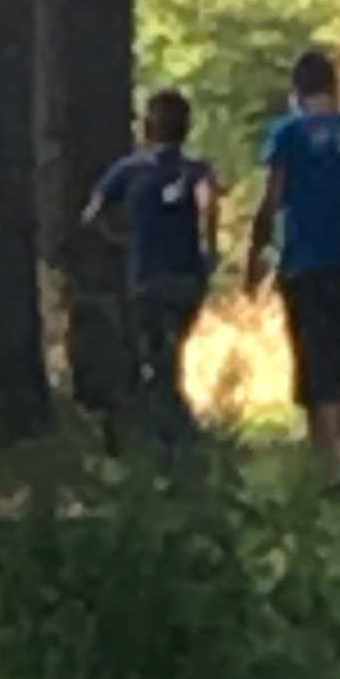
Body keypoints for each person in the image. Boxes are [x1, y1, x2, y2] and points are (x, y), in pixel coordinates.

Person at [245, 46, 340, 492]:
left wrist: (256, 255)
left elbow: (273, 199)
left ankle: (324, 467)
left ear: (297, 91)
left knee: (314, 369)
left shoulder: (290, 135)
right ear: (334, 87)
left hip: (307, 263)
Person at [86, 89, 223, 445]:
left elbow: (93, 213)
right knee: (169, 357)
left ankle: (173, 439)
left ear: (148, 127)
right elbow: (210, 205)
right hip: (187, 279)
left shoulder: (129, 169)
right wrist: (210, 251)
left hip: (146, 278)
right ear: (186, 128)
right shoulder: (196, 170)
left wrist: (120, 240)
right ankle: (176, 437)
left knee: (157, 362)